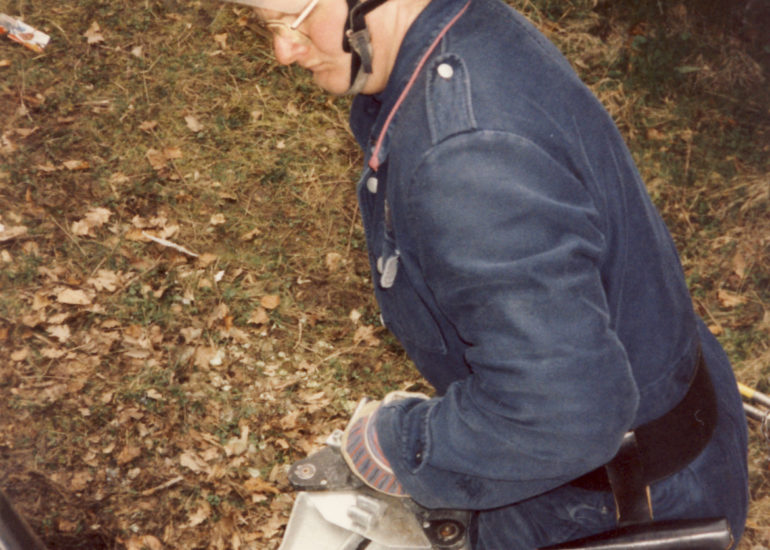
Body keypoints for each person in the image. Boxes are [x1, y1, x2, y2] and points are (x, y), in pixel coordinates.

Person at [227, 0, 750, 547]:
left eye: (295, 18)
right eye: (267, 24)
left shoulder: (466, 156)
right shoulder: (466, 27)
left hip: (608, 503)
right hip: (657, 424)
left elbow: (562, 413)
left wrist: (402, 445)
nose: (283, 50)